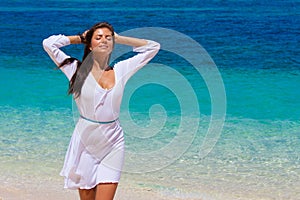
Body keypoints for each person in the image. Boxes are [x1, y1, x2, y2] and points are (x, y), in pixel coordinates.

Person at [43, 22, 160, 200]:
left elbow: (153, 47)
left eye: (108, 38)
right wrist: (81, 38)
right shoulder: (75, 69)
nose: (104, 40)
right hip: (86, 142)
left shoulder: (121, 69)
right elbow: (49, 44)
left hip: (113, 141)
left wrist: (120, 38)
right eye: (98, 38)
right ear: (90, 45)